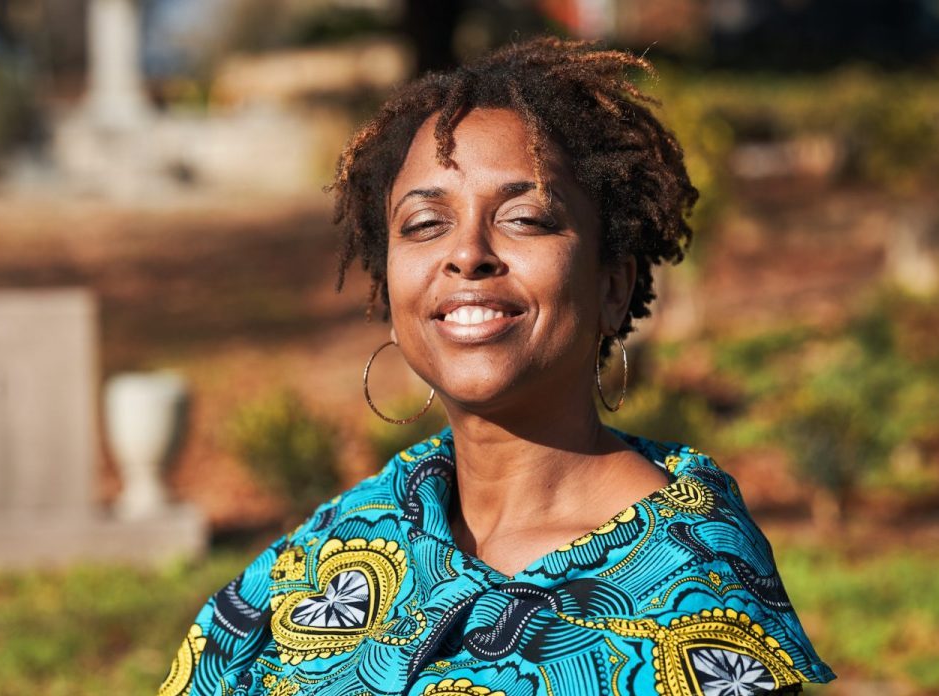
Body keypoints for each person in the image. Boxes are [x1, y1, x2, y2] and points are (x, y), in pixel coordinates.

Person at [158, 37, 834, 696]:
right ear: (391, 296)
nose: (468, 254)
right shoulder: (336, 547)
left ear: (613, 285)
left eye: (526, 218)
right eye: (426, 226)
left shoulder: (694, 588)